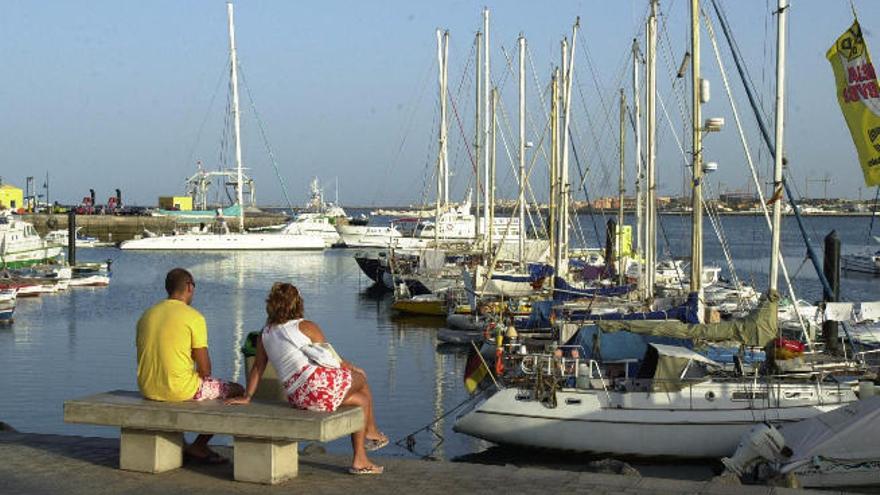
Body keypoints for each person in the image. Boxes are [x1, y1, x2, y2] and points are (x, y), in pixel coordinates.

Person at [226, 282, 387, 475]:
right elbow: (331, 357)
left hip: (298, 397)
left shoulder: (265, 334)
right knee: (360, 378)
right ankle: (371, 431)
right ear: (297, 303)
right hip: (317, 387)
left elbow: (258, 367)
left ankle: (360, 459)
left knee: (361, 401)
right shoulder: (305, 326)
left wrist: (247, 395)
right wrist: (353, 367)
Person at [136, 267, 244, 464]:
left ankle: (183, 443)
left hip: (147, 387)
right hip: (178, 390)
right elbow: (205, 370)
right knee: (236, 391)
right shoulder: (193, 317)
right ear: (189, 287)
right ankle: (199, 445)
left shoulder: (147, 315)